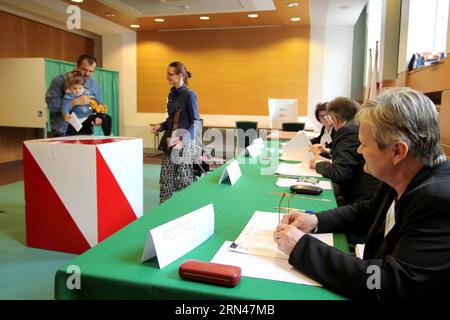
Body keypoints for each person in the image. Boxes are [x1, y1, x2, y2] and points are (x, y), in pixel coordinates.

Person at [273, 87, 450, 300]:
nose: (359, 151)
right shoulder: (405, 176)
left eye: (364, 144)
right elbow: (366, 212)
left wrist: (302, 248)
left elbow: (387, 283)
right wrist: (314, 220)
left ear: (397, 152)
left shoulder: (438, 201)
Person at [309, 97, 380, 205]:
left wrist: (317, 163)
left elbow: (339, 173)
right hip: (370, 194)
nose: (361, 150)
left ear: (334, 118)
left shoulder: (348, 130)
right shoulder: (356, 125)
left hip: (361, 199)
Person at [150, 61, 200, 203]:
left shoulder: (189, 94)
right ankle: (163, 209)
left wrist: (182, 140)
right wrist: (160, 126)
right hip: (170, 141)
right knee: (165, 179)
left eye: (169, 74)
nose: (167, 77)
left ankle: (187, 210)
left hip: (183, 143)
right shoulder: (171, 94)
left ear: (179, 76)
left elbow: (195, 122)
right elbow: (171, 120)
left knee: (185, 180)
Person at [46, 54, 104, 136]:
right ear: (77, 65)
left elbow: (97, 107)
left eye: (91, 71)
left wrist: (98, 118)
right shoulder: (59, 80)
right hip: (63, 131)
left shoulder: (94, 85)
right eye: (84, 69)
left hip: (86, 131)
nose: (87, 74)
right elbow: (51, 104)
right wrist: (74, 102)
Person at [63, 71, 112, 136]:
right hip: (80, 119)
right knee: (103, 118)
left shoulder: (86, 91)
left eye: (79, 88)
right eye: (74, 89)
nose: (77, 91)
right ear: (69, 87)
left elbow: (94, 98)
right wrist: (66, 114)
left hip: (88, 115)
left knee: (108, 117)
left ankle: (108, 135)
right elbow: (66, 106)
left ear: (83, 86)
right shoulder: (68, 95)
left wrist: (99, 104)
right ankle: (107, 137)